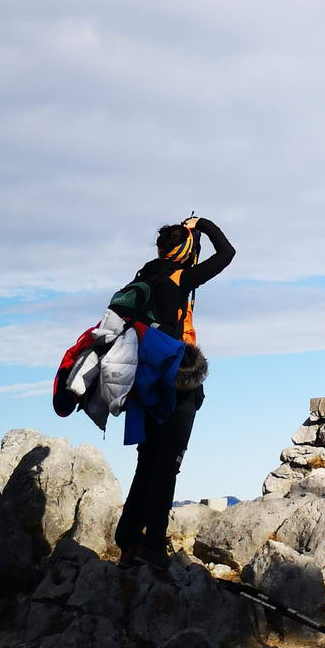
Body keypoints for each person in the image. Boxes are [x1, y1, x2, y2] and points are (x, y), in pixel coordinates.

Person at [115, 213, 236, 573]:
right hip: (176, 378)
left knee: (147, 461)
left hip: (142, 378)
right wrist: (203, 225)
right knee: (168, 463)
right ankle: (153, 544)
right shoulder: (179, 275)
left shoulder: (144, 276)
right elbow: (227, 254)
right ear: (184, 251)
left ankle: (129, 541)